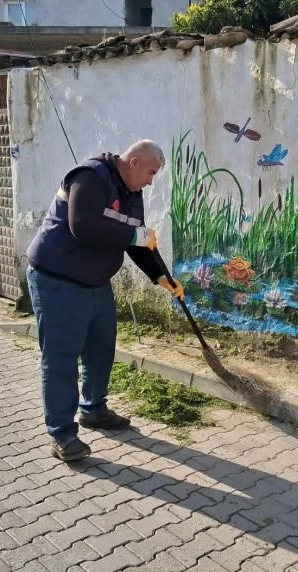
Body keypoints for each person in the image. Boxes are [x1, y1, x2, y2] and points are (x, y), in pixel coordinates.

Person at [25, 139, 184, 461]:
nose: (151, 182)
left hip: (96, 283)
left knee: (101, 350)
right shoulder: (89, 178)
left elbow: (136, 241)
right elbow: (82, 226)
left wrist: (161, 277)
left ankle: (94, 409)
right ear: (135, 161)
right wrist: (134, 236)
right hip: (57, 281)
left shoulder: (132, 194)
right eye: (151, 173)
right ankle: (62, 435)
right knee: (61, 359)